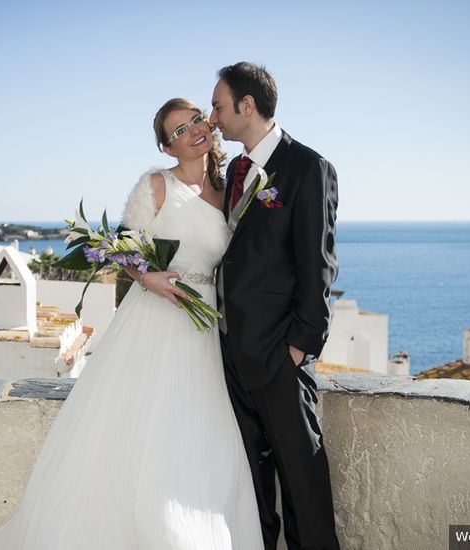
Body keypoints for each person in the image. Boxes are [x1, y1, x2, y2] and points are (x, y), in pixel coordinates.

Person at [0, 98, 263, 549]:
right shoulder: (156, 185)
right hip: (156, 317)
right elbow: (126, 253)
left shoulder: (229, 191)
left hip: (204, 328)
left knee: (200, 435)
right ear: (167, 147)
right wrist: (152, 278)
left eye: (197, 120)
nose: (193, 131)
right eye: (179, 130)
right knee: (145, 429)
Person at [210, 62, 341, 550]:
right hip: (230, 354)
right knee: (251, 481)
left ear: (247, 106)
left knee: (302, 478)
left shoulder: (309, 168)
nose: (213, 117)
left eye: (219, 106)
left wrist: (298, 349)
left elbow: (319, 267)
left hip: (278, 356)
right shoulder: (233, 171)